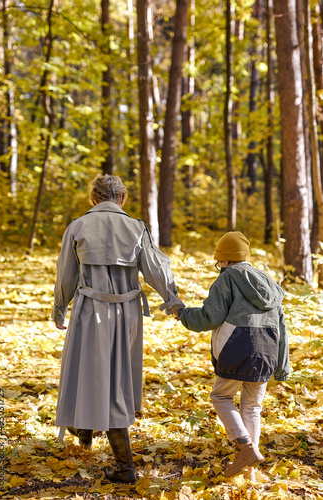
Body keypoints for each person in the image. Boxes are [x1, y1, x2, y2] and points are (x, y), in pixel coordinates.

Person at [51, 174, 184, 484]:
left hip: (90, 311)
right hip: (127, 313)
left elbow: (66, 276)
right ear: (121, 198)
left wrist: (59, 306)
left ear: (93, 199)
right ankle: (86, 428)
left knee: (89, 371)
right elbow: (156, 269)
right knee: (117, 378)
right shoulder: (136, 227)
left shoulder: (78, 226)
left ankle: (122, 464)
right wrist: (173, 302)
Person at [176, 231, 289, 479]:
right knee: (252, 407)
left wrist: (183, 314)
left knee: (221, 397)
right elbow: (282, 328)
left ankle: (246, 446)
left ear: (224, 260)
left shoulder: (226, 279)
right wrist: (281, 366)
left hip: (237, 348)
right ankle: (249, 469)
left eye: (220, 261)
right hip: (267, 351)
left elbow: (210, 317)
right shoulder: (269, 283)